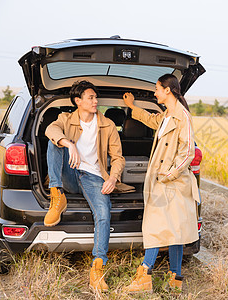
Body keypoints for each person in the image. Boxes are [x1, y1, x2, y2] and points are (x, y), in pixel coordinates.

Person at [44, 80, 131, 292]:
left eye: (95, 97)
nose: (95, 101)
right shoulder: (65, 119)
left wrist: (112, 178)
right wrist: (69, 143)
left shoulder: (107, 125)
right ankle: (57, 196)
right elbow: (50, 129)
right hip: (69, 173)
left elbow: (118, 158)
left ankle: (98, 268)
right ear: (78, 101)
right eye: (90, 98)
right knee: (54, 143)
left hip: (94, 177)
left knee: (103, 212)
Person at [123, 74, 200, 293]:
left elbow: (188, 152)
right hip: (164, 182)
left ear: (168, 90)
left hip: (172, 183)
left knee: (155, 227)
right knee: (175, 230)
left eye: (157, 88)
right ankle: (175, 280)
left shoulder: (182, 117)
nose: (155, 92)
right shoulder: (167, 114)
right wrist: (132, 106)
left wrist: (168, 174)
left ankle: (144, 275)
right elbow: (152, 121)